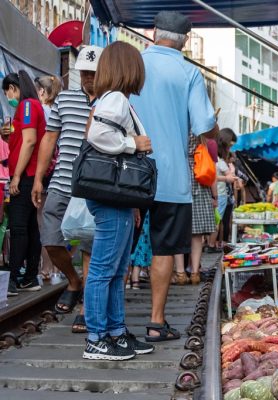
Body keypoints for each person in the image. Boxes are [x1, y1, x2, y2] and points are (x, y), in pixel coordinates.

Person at [129, 10, 218, 342]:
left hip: (129, 173)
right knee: (164, 249)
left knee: (117, 246)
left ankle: (106, 325)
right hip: (171, 178)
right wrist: (215, 128)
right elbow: (204, 126)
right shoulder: (189, 72)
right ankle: (156, 321)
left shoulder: (134, 63)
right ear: (186, 40)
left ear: (153, 32)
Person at [80, 41, 154, 360]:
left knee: (115, 267)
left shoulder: (115, 99)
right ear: (129, 68)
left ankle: (115, 331)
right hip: (110, 198)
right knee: (104, 269)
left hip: (116, 197)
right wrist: (132, 144)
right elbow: (98, 136)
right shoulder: (114, 100)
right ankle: (97, 337)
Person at [32, 45, 103, 333]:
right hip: (61, 183)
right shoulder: (64, 100)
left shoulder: (111, 102)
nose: (88, 78)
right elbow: (49, 140)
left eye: (93, 73)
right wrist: (38, 178)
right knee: (50, 240)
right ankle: (73, 280)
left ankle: (86, 305)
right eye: (84, 72)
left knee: (88, 244)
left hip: (92, 188)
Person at [1, 71, 45, 296]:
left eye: (8, 90)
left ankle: (11, 278)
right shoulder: (34, 106)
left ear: (14, 87)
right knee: (29, 227)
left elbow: (29, 142)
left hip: (25, 175)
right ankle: (29, 277)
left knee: (18, 227)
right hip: (31, 174)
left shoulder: (27, 106)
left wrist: (16, 176)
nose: (8, 96)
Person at [31, 75, 61, 282]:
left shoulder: (42, 111)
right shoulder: (57, 110)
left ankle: (46, 268)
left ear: (42, 91)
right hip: (57, 172)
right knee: (52, 221)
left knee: (43, 222)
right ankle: (53, 267)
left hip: (44, 172)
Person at [186, 134, 216, 285]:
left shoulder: (176, 126)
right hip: (198, 178)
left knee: (179, 231)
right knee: (196, 234)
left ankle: (179, 272)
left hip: (178, 176)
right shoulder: (200, 134)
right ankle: (195, 272)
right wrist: (215, 195)